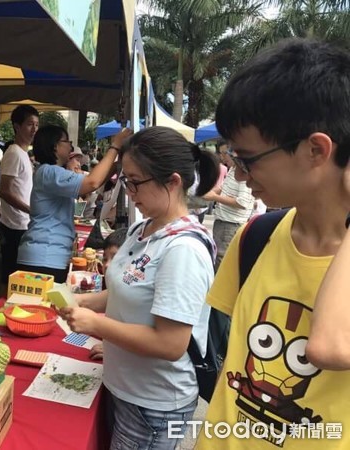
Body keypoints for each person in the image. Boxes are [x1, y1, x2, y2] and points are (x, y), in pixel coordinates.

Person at [196, 39, 350, 450]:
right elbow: (233, 371)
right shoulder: (258, 236)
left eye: (247, 158)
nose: (241, 175)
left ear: (316, 149)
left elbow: (328, 347)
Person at [59, 126, 219, 450]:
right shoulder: (142, 228)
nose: (129, 191)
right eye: (125, 180)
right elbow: (124, 288)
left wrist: (97, 325)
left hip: (154, 404)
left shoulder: (183, 250)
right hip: (123, 386)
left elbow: (171, 343)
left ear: (172, 182)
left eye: (135, 182)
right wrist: (82, 300)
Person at [16, 126, 131, 283]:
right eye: (67, 141)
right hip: (44, 255)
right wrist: (115, 146)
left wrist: (117, 161)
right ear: (55, 146)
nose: (70, 146)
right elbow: (92, 182)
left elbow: (95, 181)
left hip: (48, 254)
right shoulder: (49, 172)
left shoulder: (51, 172)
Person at [0, 105, 39, 289]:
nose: (34, 129)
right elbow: (4, 191)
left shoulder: (23, 154)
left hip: (23, 223)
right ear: (16, 126)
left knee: (19, 275)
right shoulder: (13, 153)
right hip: (14, 225)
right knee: (12, 275)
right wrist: (30, 210)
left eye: (37, 125)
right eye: (30, 124)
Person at [203, 139, 255, 269]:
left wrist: (215, 197)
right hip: (223, 221)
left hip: (231, 224)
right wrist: (215, 191)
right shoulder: (232, 169)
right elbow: (224, 188)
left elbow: (242, 202)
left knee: (222, 260)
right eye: (220, 153)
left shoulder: (242, 173)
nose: (222, 157)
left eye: (225, 153)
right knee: (217, 257)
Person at [78, 227, 128, 361]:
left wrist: (117, 349)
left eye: (116, 258)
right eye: (105, 259)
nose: (106, 265)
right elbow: (85, 301)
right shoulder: (117, 290)